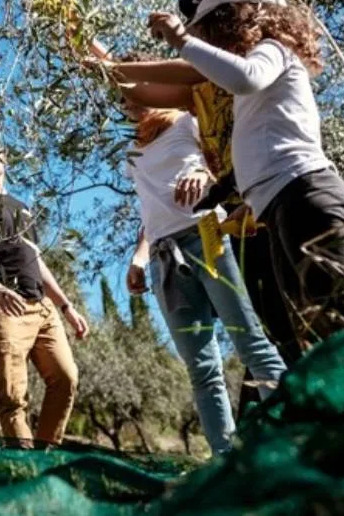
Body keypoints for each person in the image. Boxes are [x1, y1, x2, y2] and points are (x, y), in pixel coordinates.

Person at [146, 0, 344, 351]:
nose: (212, 39)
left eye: (214, 27)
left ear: (238, 17)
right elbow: (265, 143)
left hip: (306, 196)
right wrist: (223, 190)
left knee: (341, 321)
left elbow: (246, 78)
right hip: (284, 205)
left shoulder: (274, 50)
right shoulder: (262, 69)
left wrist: (182, 41)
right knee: (314, 331)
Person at [121, 101, 287, 454]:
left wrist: (205, 177)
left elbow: (226, 165)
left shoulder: (188, 120)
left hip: (206, 233)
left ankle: (299, 439)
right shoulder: (132, 151)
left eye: (132, 91)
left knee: (251, 344)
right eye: (120, 98)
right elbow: (152, 213)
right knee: (201, 366)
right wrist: (139, 257)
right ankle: (224, 461)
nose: (127, 102)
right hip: (164, 256)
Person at [0, 133, 89, 447]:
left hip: (41, 308)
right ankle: (25, 467)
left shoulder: (22, 208)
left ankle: (45, 456)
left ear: (6, 157)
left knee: (66, 379)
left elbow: (36, 260)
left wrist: (66, 306)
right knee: (12, 397)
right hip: (2, 304)